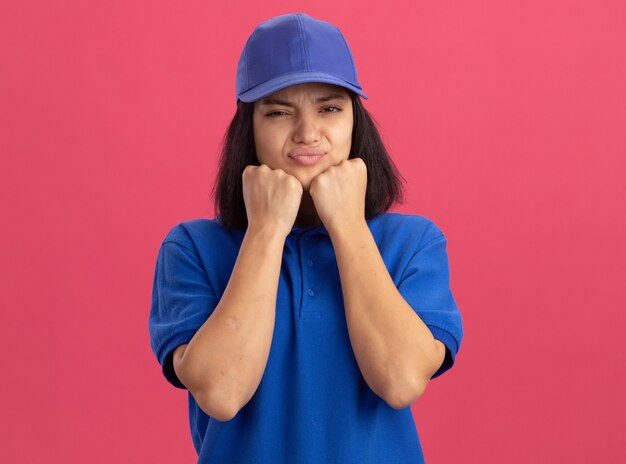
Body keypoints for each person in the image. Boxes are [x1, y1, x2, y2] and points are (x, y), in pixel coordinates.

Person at [148, 12, 464, 463]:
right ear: (248, 128)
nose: (308, 133)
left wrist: (348, 225)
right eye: (278, 112)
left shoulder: (413, 244)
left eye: (330, 108)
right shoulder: (192, 249)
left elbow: (400, 380)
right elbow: (220, 391)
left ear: (357, 120)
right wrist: (266, 229)